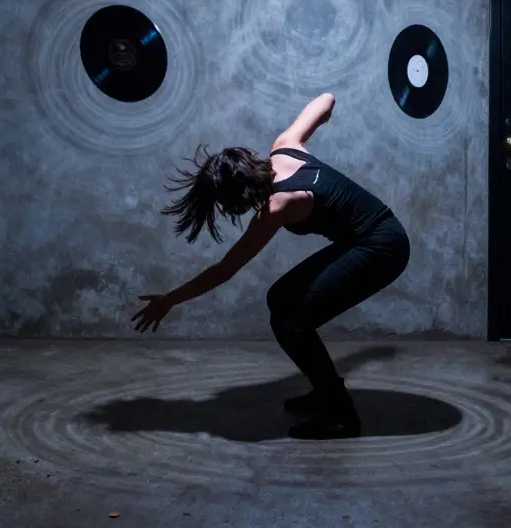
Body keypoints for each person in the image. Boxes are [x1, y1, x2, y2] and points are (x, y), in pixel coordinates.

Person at [132, 93, 411, 440]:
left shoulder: (279, 204)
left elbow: (225, 270)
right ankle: (326, 390)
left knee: (290, 318)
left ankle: (341, 415)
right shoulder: (285, 146)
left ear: (238, 195)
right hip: (373, 236)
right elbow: (326, 100)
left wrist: (170, 299)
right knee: (282, 301)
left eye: (225, 204)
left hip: (384, 247)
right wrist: (320, 112)